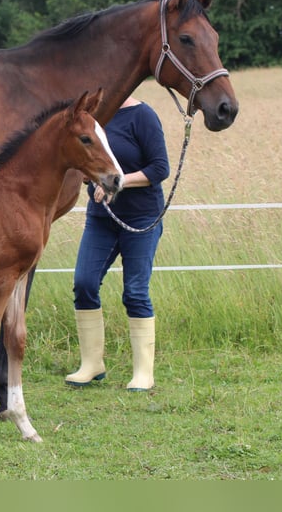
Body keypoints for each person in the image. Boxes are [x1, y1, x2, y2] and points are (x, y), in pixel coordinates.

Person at [65, 95, 169, 391]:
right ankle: (91, 365)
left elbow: (160, 168)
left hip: (141, 218)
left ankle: (143, 374)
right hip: (101, 217)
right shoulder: (95, 120)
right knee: (84, 283)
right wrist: (93, 179)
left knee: (135, 291)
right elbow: (85, 160)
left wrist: (119, 181)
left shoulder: (143, 117)